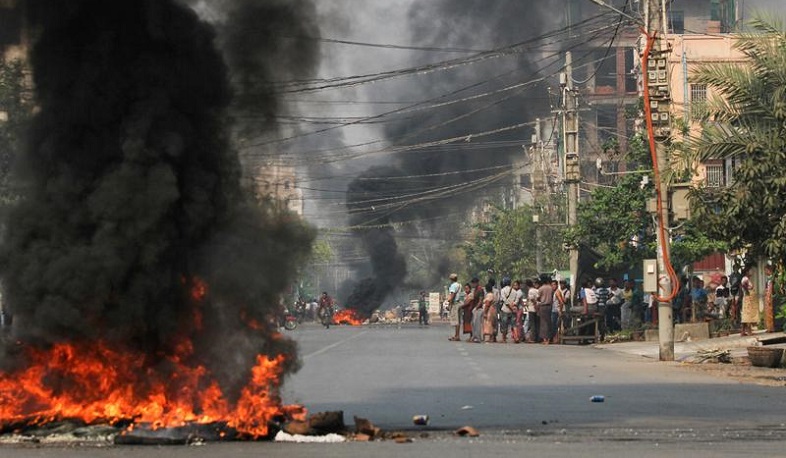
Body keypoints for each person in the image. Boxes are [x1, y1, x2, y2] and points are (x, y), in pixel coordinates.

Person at [740, 269, 758, 336]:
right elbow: (743, 285)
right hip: (748, 298)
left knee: (745, 315)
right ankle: (749, 331)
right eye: (750, 271)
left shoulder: (747, 279)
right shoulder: (745, 279)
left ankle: (743, 331)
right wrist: (747, 291)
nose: (751, 272)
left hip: (748, 298)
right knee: (748, 314)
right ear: (746, 272)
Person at [536, 277, 554, 344]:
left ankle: (545, 339)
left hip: (543, 306)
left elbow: (538, 298)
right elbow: (552, 297)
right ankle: (549, 339)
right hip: (549, 306)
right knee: (548, 322)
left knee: (543, 323)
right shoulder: (550, 288)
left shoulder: (541, 288)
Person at [498, 277, 515, 343]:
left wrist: (509, 306)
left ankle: (504, 338)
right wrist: (512, 307)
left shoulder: (503, 290)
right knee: (512, 324)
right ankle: (515, 337)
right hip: (512, 309)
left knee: (504, 324)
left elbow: (504, 299)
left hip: (505, 309)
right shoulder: (514, 290)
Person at [447, 274, 462, 341]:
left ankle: (457, 336)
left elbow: (452, 295)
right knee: (458, 320)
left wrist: (449, 304)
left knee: (456, 321)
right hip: (458, 303)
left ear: (451, 279)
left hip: (455, 304)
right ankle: (456, 335)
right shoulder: (459, 285)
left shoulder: (453, 285)